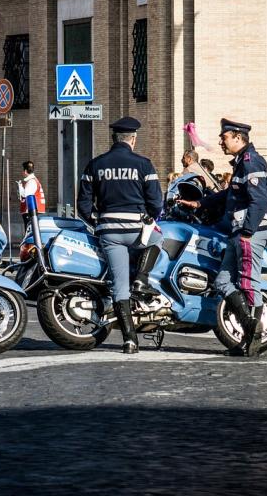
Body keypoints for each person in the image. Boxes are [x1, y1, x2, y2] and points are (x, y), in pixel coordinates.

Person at [178, 119, 267, 358]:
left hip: (250, 232)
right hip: (238, 232)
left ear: (238, 138)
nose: (221, 142)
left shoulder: (252, 163)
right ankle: (249, 331)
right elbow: (227, 196)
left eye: (225, 137)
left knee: (249, 282)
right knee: (222, 282)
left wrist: (248, 232)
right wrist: (199, 203)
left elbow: (259, 201)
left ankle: (254, 338)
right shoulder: (241, 164)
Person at [78, 116, 164, 355]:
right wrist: (151, 216)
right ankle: (142, 278)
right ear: (133, 139)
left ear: (113, 138)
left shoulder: (95, 165)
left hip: (109, 232)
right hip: (137, 230)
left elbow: (83, 205)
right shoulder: (144, 165)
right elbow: (156, 202)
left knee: (119, 286)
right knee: (158, 239)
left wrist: (97, 220)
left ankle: (129, 340)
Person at [18, 160, 46, 229]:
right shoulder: (33, 180)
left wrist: (20, 187)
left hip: (31, 211)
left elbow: (25, 195)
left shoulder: (31, 182)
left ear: (25, 171)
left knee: (30, 230)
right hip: (33, 211)